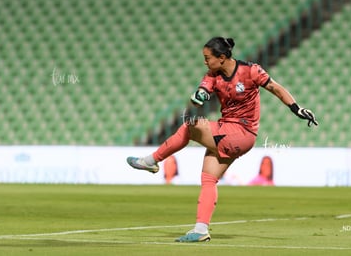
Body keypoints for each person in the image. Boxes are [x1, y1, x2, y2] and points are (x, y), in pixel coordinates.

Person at [127, 37, 318, 242]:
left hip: (243, 132)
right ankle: (201, 230)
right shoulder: (212, 75)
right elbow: (203, 90)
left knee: (191, 126)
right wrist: (199, 96)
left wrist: (297, 108)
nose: (205, 62)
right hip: (228, 130)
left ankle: (151, 161)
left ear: (222, 57)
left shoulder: (251, 71)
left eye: (208, 58)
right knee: (208, 179)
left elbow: (275, 88)